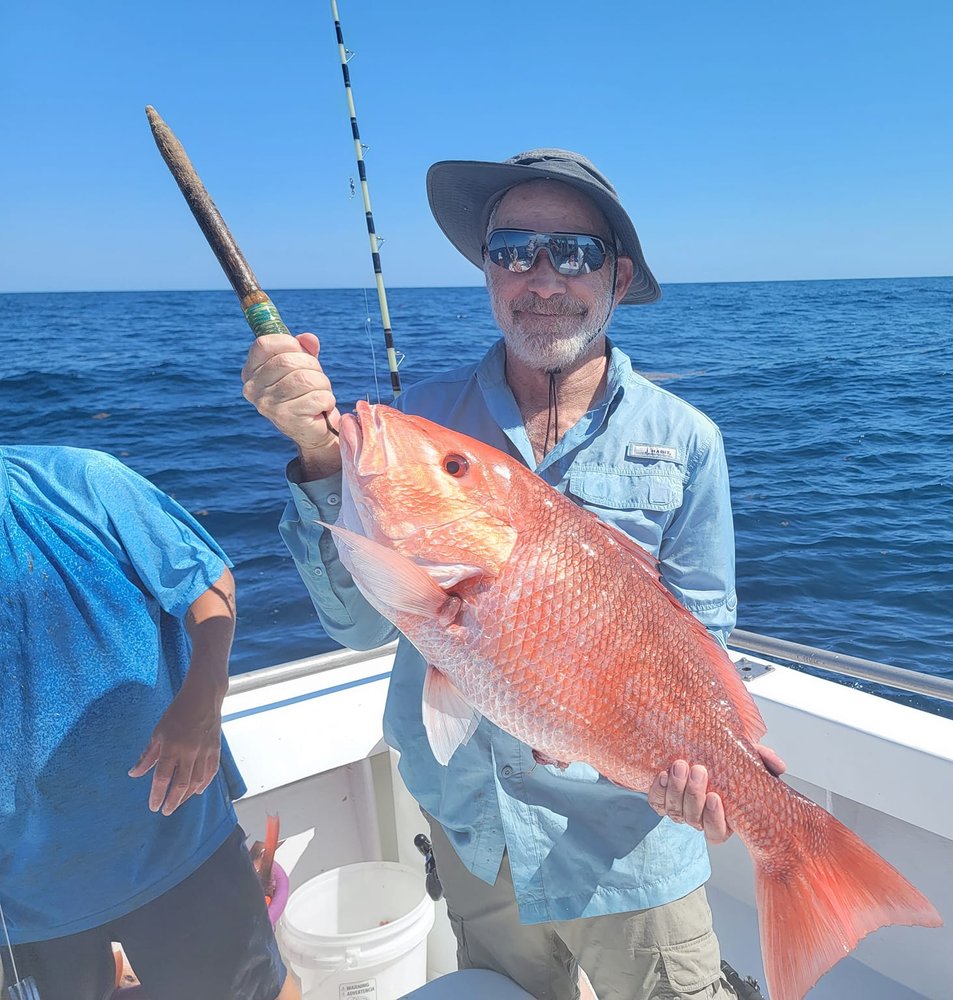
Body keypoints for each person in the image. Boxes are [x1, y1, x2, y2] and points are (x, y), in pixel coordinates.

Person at [241, 148, 782, 1000]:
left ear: (618, 275)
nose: (540, 277)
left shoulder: (686, 440)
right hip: (474, 832)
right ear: (486, 270)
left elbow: (701, 635)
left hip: (630, 843)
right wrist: (317, 455)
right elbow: (357, 629)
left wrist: (709, 770)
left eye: (572, 253)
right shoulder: (413, 419)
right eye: (512, 249)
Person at [0, 445, 297, 1000]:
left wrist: (204, 699)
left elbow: (208, 588)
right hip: (21, 901)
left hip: (175, 839)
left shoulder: (82, 481)